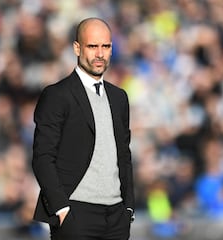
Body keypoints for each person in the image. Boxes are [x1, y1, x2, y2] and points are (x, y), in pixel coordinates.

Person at [32, 17, 135, 240]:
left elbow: (124, 155)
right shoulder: (57, 95)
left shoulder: (119, 98)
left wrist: (128, 208)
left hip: (116, 216)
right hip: (76, 214)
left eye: (105, 46)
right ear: (77, 48)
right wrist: (61, 208)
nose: (100, 54)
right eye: (92, 46)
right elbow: (42, 156)